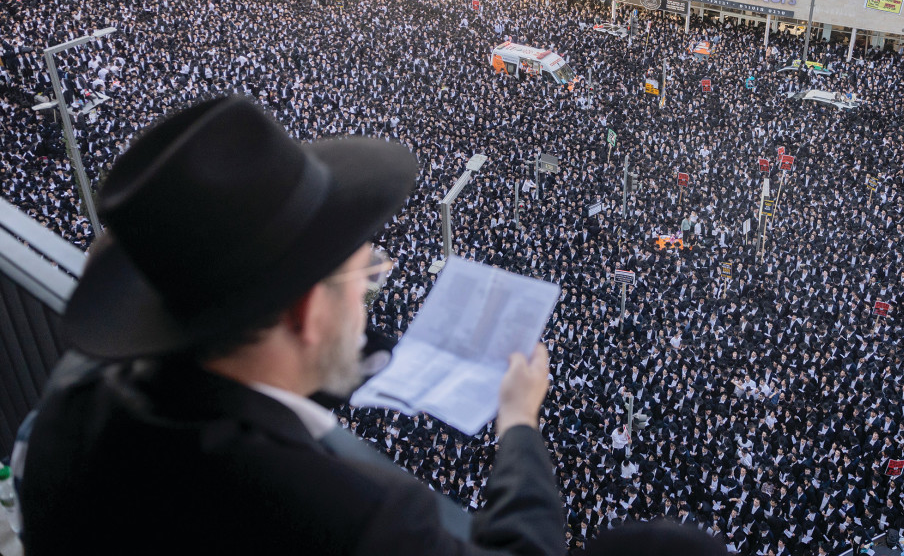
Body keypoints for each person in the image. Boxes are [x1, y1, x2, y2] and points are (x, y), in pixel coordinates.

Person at [18, 95, 566, 555]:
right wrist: (519, 423)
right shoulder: (354, 515)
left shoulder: (77, 398)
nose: (367, 298)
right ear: (307, 310)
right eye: (365, 275)